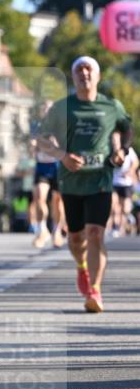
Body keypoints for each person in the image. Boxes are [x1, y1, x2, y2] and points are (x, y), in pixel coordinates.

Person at [37, 56, 132, 313]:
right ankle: (81, 267)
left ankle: (95, 290)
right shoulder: (61, 108)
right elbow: (42, 140)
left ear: (98, 76)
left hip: (100, 179)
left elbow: (127, 128)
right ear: (73, 77)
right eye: (79, 69)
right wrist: (62, 157)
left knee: (95, 234)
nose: (84, 73)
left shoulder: (111, 106)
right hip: (71, 182)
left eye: (89, 69)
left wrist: (121, 150)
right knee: (76, 237)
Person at [30, 101, 66, 249]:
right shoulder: (37, 126)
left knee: (57, 202)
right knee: (39, 196)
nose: (46, 111)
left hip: (57, 166)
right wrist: (33, 146)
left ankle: (57, 232)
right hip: (42, 166)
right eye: (44, 108)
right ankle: (42, 230)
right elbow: (32, 145)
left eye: (49, 109)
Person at [110, 145, 138, 237]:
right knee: (114, 206)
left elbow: (136, 162)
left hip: (126, 183)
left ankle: (128, 216)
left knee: (125, 208)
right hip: (114, 183)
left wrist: (130, 171)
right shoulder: (110, 148)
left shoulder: (129, 149)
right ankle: (115, 227)